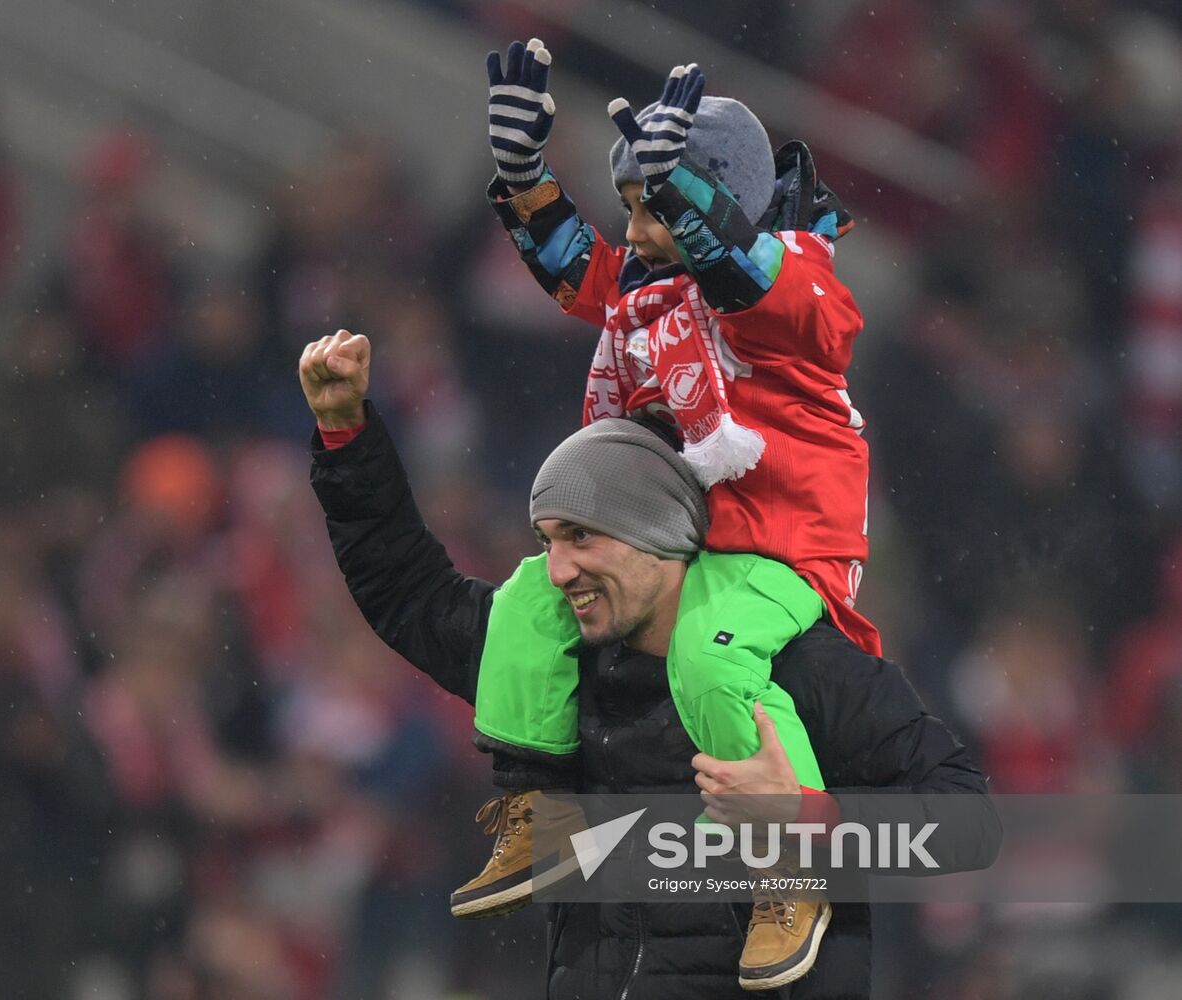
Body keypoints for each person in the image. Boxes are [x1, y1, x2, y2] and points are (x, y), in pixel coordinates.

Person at [299, 331, 998, 999]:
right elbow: (408, 595)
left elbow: (969, 828)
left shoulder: (797, 665)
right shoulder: (555, 664)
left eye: (582, 538)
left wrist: (807, 817)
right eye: (548, 540)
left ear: (660, 533)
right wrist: (345, 434)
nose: (558, 569)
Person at [469, 38, 878, 984]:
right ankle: (534, 809)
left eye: (654, 207)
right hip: (691, 546)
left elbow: (763, 287)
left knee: (708, 659)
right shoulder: (657, 292)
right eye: (637, 207)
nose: (640, 232)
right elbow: (583, 273)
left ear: (720, 199)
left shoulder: (799, 279)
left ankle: (792, 867)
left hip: (787, 551)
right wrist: (526, 178)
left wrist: (691, 207)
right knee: (529, 598)